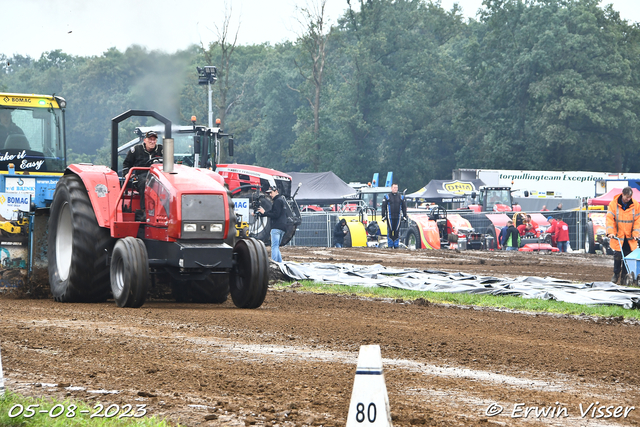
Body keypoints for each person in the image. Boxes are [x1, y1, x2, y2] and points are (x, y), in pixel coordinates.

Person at [123, 131, 163, 217]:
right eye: (150, 139)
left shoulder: (161, 149)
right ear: (145, 140)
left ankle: (165, 209)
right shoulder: (136, 150)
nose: (152, 141)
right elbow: (126, 164)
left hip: (159, 175)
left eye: (154, 139)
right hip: (142, 175)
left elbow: (170, 163)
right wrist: (126, 174)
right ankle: (145, 210)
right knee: (145, 182)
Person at [606, 186, 640, 284]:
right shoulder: (613, 204)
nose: (628, 200)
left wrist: (636, 233)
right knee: (617, 256)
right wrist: (610, 232)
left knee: (627, 258)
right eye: (626, 198)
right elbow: (609, 219)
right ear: (622, 194)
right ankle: (616, 274)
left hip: (630, 238)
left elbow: (638, 221)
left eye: (629, 198)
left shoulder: (636, 205)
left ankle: (624, 278)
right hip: (618, 236)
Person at [257, 186, 288, 262]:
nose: (270, 194)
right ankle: (280, 263)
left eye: (271, 192)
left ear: (276, 191)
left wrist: (264, 213)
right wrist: (263, 213)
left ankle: (274, 263)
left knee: (274, 246)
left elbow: (275, 214)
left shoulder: (277, 201)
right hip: (283, 227)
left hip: (276, 227)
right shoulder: (282, 201)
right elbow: (275, 213)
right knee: (276, 247)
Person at [381, 183, 407, 248]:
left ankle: (396, 245)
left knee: (397, 230)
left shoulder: (401, 197)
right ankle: (390, 245)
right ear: (391, 188)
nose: (395, 189)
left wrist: (404, 216)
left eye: (396, 188)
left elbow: (404, 207)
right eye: (394, 188)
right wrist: (383, 215)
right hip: (390, 217)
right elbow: (383, 207)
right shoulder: (387, 196)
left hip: (398, 217)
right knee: (390, 230)